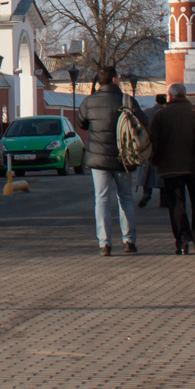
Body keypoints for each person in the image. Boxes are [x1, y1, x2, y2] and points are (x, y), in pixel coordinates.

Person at [74, 65, 145, 257]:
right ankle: (129, 240)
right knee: (126, 198)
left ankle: (104, 243)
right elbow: (142, 122)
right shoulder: (126, 100)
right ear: (114, 79)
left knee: (102, 199)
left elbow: (80, 122)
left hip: (98, 159)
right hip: (124, 158)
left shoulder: (89, 102)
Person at [146, 84, 195, 254]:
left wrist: (154, 161)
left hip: (170, 168)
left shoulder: (160, 115)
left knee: (176, 204)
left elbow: (154, 142)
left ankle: (183, 239)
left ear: (169, 96)